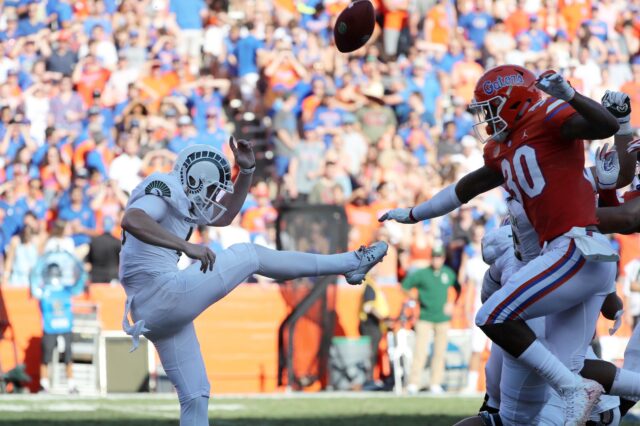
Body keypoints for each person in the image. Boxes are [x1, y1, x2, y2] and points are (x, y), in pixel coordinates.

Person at [380, 65, 628, 423]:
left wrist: (570, 95)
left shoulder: (548, 115)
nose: (486, 117)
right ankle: (593, 403)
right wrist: (415, 213)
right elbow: (464, 188)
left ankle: (574, 389)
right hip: (585, 257)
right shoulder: (502, 147)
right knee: (570, 362)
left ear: (514, 101)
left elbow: (605, 125)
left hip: (572, 248)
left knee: (492, 315)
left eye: (490, 106)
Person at [119, 140, 388, 426]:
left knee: (195, 396)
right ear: (195, 177)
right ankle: (348, 263)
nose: (212, 196)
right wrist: (186, 247)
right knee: (248, 254)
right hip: (159, 293)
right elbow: (133, 218)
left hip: (153, 306)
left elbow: (223, 216)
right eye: (211, 188)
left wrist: (245, 171)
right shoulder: (164, 185)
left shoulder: (182, 196)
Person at [402, 242, 460, 395]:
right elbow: (405, 285)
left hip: (442, 318)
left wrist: (451, 302)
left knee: (440, 352)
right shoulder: (422, 273)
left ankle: (435, 382)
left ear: (443, 258)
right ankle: (414, 382)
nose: (437, 260)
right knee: (420, 350)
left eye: (439, 257)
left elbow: (458, 288)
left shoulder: (448, 273)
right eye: (434, 256)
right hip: (425, 316)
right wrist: (414, 298)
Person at [30, 248, 87, 394]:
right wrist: (43, 258)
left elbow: (81, 278)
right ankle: (44, 384)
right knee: (46, 358)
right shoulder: (44, 290)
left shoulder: (66, 289)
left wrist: (75, 260)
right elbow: (33, 278)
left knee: (67, 357)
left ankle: (71, 385)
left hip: (64, 328)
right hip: (50, 328)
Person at [358, 272, 390, 384]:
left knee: (372, 353)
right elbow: (368, 307)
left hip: (374, 324)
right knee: (370, 354)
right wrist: (383, 318)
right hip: (370, 325)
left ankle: (370, 378)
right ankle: (368, 380)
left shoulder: (372, 285)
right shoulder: (370, 286)